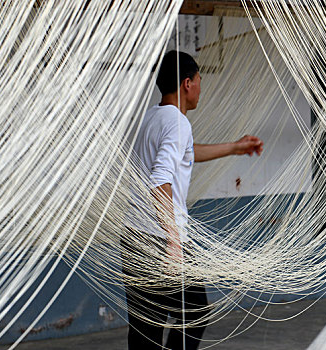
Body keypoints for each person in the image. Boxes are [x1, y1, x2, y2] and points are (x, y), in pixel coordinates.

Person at [124, 50, 264, 350]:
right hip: (158, 238)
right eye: (200, 79)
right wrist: (173, 240)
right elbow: (160, 179)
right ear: (187, 83)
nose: (201, 86)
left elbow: (186, 154)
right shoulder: (178, 123)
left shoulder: (153, 117)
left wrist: (233, 148)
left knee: (145, 327)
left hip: (134, 236)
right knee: (195, 312)